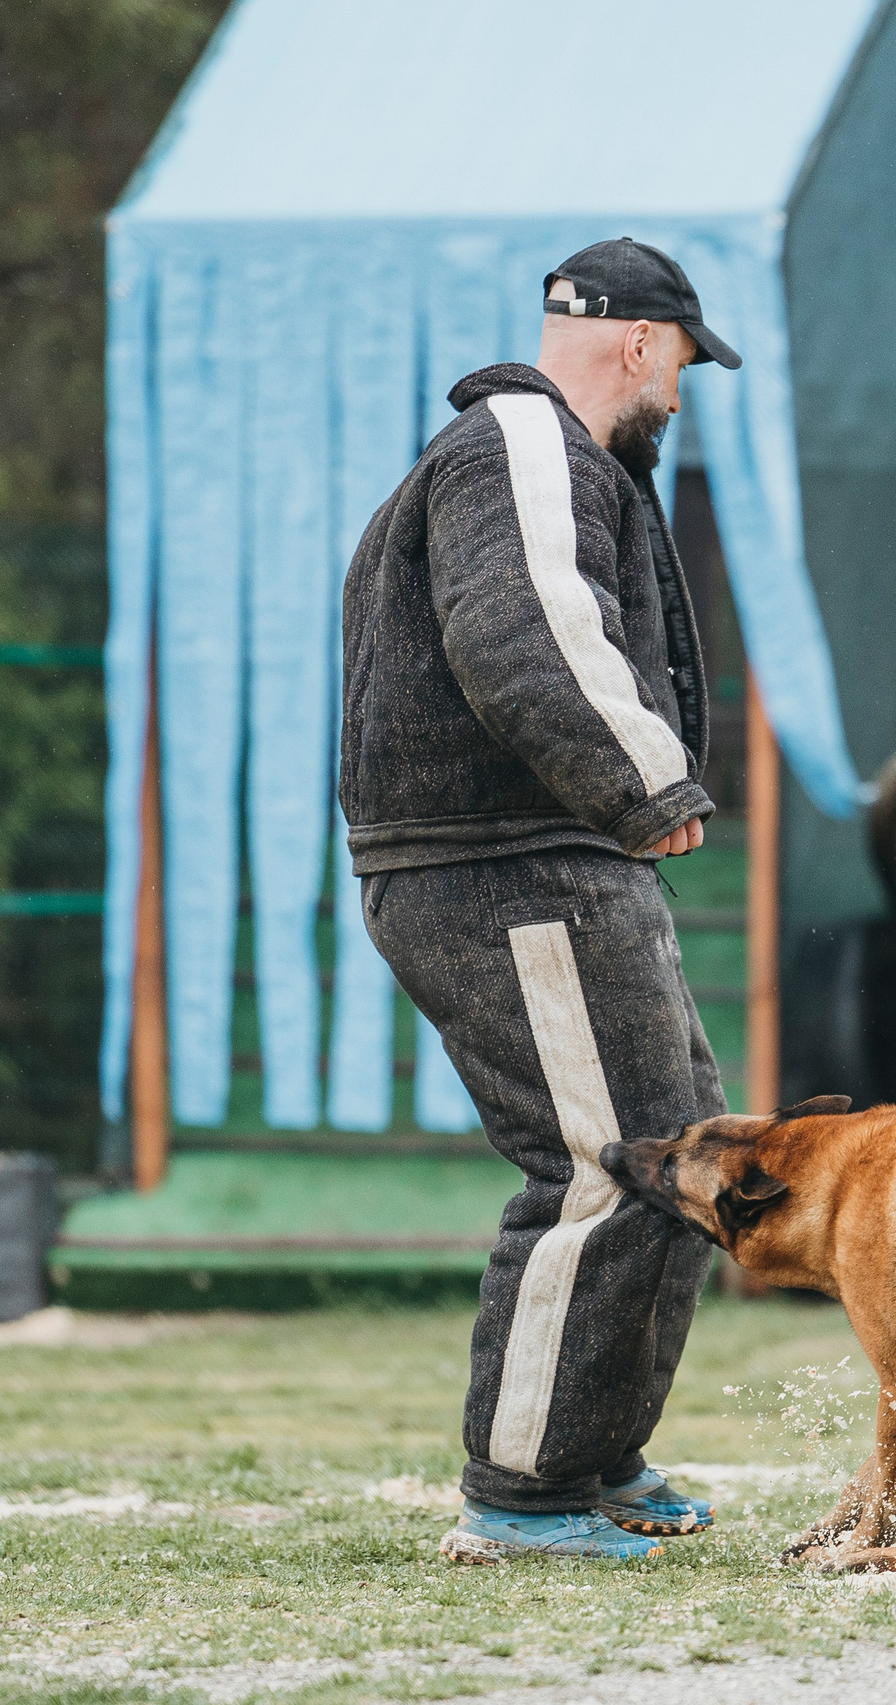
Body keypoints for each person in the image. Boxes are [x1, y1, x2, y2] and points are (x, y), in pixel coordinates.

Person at [338, 238, 739, 1564]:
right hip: (504, 865)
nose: (678, 392)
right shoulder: (520, 438)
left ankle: (595, 1456)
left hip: (542, 859)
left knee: (675, 1156)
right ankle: (524, 1496)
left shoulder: (549, 455)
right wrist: (645, 781)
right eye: (681, 363)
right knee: (603, 1167)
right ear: (639, 341)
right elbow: (525, 627)